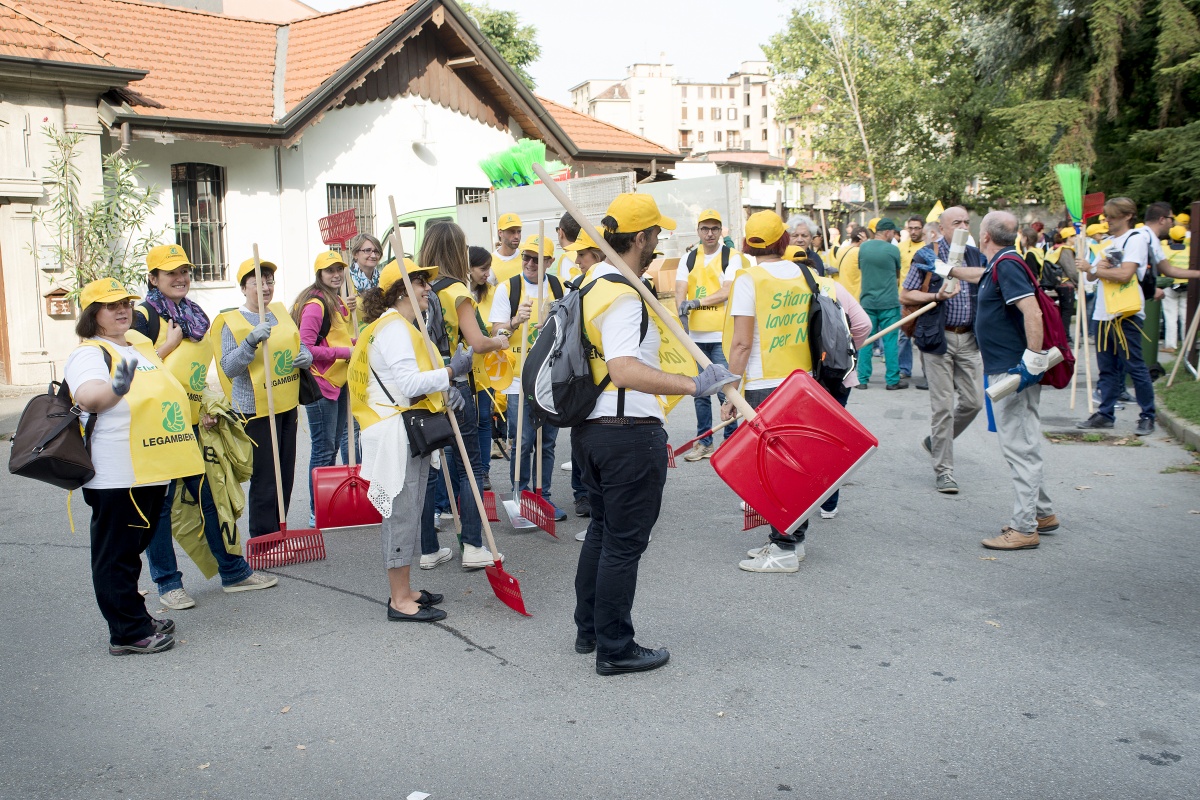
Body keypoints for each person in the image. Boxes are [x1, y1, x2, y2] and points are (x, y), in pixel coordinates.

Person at [574, 193, 737, 675]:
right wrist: (694, 386)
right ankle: (615, 649)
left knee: (604, 534)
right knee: (623, 543)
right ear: (640, 237)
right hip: (627, 432)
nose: (660, 242)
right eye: (657, 234)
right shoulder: (623, 295)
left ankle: (590, 631)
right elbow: (624, 369)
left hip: (592, 431)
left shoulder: (593, 283)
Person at [722, 212, 871, 573]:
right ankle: (792, 540)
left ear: (746, 244)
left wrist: (730, 390)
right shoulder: (806, 275)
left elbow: (742, 344)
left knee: (773, 473)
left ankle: (785, 548)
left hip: (762, 384)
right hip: (803, 383)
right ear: (784, 240)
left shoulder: (748, 279)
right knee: (792, 468)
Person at [65, 278, 206, 655]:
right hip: (117, 473)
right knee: (117, 556)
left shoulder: (136, 345)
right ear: (93, 315)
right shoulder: (89, 353)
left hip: (150, 467)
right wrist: (117, 387)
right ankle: (126, 633)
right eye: (111, 306)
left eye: (125, 302)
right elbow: (90, 397)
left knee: (132, 549)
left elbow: (151, 377)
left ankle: (136, 617)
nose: (122, 310)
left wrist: (166, 349)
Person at [134, 245, 277, 610]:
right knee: (162, 509)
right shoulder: (143, 317)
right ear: (153, 279)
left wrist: (206, 406)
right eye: (171, 273)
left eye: (184, 271)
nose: (181, 279)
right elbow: (130, 371)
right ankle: (167, 583)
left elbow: (195, 378)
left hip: (194, 424)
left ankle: (233, 572)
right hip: (156, 430)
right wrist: (166, 346)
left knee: (209, 498)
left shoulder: (195, 315)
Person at [350, 258, 458, 622]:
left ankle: (406, 589)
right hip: (396, 432)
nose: (428, 288)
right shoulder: (395, 328)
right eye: (419, 282)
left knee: (410, 511)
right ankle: (399, 600)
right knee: (401, 514)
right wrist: (450, 371)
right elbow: (410, 384)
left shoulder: (402, 325)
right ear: (401, 290)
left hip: (404, 429)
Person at [959, 211, 1059, 550]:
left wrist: (1031, 360)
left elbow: (1031, 311)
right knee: (1021, 443)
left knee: (1020, 447)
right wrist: (952, 270)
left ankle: (1024, 527)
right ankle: (1041, 513)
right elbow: (979, 275)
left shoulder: (1007, 265)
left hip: (1014, 370)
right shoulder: (1000, 262)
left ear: (984, 235)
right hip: (1007, 367)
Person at [418, 223, 511, 568]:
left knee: (429, 467)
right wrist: (499, 341)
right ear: (457, 250)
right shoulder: (458, 289)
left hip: (425, 384)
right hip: (457, 384)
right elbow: (477, 341)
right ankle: (473, 545)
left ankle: (428, 548)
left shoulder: (420, 286)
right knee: (468, 465)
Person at [213, 258, 313, 537]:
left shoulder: (280, 314)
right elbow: (229, 367)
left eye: (269, 281)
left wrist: (306, 357)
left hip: (286, 404)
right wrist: (249, 342)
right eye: (258, 282)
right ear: (244, 288)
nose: (266, 287)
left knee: (285, 473)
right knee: (266, 477)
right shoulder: (232, 322)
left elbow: (299, 346)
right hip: (254, 410)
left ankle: (280, 532)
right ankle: (263, 537)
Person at [901, 205, 986, 494]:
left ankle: (935, 441)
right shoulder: (928, 254)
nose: (963, 226)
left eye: (966, 221)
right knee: (943, 407)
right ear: (943, 227)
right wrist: (936, 295)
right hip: (938, 338)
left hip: (969, 340)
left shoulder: (976, 256)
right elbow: (906, 293)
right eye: (956, 222)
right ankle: (945, 472)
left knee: (974, 402)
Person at [488, 233, 567, 520]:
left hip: (550, 379)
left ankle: (543, 496)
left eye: (537, 259)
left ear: (550, 261)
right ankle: (520, 496)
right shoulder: (508, 289)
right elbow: (496, 334)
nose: (530, 263)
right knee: (522, 442)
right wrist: (514, 321)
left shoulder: (558, 287)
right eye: (526, 257)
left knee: (546, 442)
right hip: (518, 379)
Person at [1074, 198, 1159, 435]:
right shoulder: (1109, 242)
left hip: (1126, 313)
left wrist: (1093, 269)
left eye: (1111, 217)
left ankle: (1147, 415)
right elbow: (1093, 278)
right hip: (1103, 312)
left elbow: (1125, 274)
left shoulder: (1136, 239)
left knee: (1135, 365)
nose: (1107, 221)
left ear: (1127, 216)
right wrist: (1090, 267)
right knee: (1107, 367)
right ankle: (1105, 413)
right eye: (1106, 217)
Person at [292, 250, 357, 528]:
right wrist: (346, 351)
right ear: (319, 274)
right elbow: (306, 349)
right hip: (320, 385)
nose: (336, 274)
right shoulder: (315, 305)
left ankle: (330, 505)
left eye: (339, 269)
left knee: (332, 447)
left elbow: (338, 336)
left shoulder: (338, 300)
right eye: (330, 270)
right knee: (323, 449)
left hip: (339, 382)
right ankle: (316, 510)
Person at [675, 209, 745, 461]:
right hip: (696, 337)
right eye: (705, 228)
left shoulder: (731, 257)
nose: (710, 233)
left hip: (721, 335)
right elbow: (679, 290)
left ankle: (732, 442)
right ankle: (704, 442)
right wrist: (681, 313)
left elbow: (726, 291)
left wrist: (696, 302)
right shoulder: (689, 259)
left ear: (721, 231)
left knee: (727, 391)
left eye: (715, 228)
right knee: (700, 393)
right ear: (698, 231)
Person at [562, 229, 611, 529]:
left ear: (599, 254)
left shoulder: (606, 288)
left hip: (596, 387)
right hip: (584, 385)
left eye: (583, 254)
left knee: (592, 453)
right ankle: (589, 503)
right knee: (585, 451)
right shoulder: (578, 287)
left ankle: (599, 519)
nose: (577, 260)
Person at [855, 218, 907, 389]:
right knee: (891, 341)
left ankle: (862, 379)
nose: (894, 235)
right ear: (887, 232)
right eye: (893, 232)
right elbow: (898, 273)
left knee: (866, 341)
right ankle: (892, 381)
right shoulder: (893, 250)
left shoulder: (863, 248)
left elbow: (863, 269)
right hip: (889, 302)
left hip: (868, 301)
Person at [466, 245, 502, 477]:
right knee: (468, 423)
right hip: (465, 369)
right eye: (483, 268)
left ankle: (483, 472)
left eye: (489, 268)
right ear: (468, 268)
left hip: (485, 366)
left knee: (484, 420)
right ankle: (470, 471)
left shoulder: (492, 292)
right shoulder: (458, 294)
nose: (487, 273)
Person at [896, 216, 927, 380]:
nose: (914, 231)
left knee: (924, 336)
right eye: (911, 228)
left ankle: (927, 372)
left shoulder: (928, 248)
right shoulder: (900, 247)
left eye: (917, 228)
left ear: (923, 229)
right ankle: (904, 368)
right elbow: (896, 272)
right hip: (905, 300)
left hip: (924, 299)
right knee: (903, 335)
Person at [1162, 225, 1191, 353]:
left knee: (1170, 316)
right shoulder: (1190, 250)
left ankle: (1171, 345)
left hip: (1170, 286)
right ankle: (1187, 344)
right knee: (1185, 316)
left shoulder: (1165, 250)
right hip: (1187, 286)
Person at [828, 224, 866, 298]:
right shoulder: (860, 252)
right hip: (856, 296)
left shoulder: (840, 251)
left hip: (843, 294)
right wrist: (866, 243)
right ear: (861, 239)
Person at [491, 212, 523, 284]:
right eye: (511, 232)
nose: (516, 236)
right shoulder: (491, 263)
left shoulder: (527, 251)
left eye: (519, 231)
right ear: (500, 233)